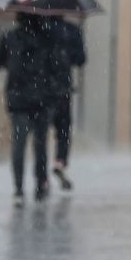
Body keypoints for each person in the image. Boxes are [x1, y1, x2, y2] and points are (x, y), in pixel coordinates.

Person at [0, 12, 56, 206]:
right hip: (42, 99)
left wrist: (8, 61)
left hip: (18, 100)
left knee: (19, 144)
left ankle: (18, 188)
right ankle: (40, 185)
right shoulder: (47, 39)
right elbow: (55, 67)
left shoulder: (10, 38)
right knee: (40, 145)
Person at [46, 16, 86, 191]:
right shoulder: (72, 30)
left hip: (42, 88)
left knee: (41, 133)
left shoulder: (39, 29)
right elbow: (81, 59)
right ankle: (60, 161)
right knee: (63, 130)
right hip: (63, 88)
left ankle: (41, 176)